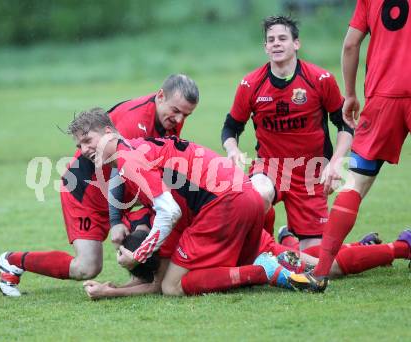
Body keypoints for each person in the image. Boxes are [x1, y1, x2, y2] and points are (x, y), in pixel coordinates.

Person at [0, 74, 199, 297]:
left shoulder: (167, 116)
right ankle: (12, 261)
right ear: (160, 96)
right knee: (86, 267)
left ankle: (143, 279)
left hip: (119, 191)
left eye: (186, 115)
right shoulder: (136, 122)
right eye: (176, 111)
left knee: (161, 214)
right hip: (85, 191)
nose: (179, 120)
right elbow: (118, 171)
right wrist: (116, 220)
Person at [69, 108, 297, 297]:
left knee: (173, 287)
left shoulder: (129, 159)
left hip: (225, 203)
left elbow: (169, 212)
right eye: (79, 146)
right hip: (243, 193)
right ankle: (291, 261)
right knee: (214, 269)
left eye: (88, 140)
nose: (84, 150)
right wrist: (116, 220)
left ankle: (263, 271)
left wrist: (138, 255)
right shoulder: (135, 146)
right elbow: (122, 175)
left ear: (108, 132)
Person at [289, 0, 411, 292]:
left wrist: (351, 94)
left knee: (354, 183)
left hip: (383, 97)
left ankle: (319, 273)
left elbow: (350, 45)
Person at [221, 15, 354, 251]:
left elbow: (345, 124)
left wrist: (335, 163)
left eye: (282, 38)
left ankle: (287, 240)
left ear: (296, 44)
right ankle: (264, 251)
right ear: (265, 47)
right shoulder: (250, 84)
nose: (276, 43)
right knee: (256, 196)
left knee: (315, 258)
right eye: (271, 40)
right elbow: (231, 127)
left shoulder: (320, 79)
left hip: (310, 174)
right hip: (270, 168)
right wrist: (232, 149)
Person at [83, 226, 411, 299]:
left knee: (328, 268)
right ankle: (361, 246)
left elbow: (156, 284)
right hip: (246, 247)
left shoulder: (165, 248)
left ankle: (402, 246)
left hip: (255, 248)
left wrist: (112, 292)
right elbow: (153, 281)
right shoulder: (156, 240)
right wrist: (115, 285)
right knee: (318, 261)